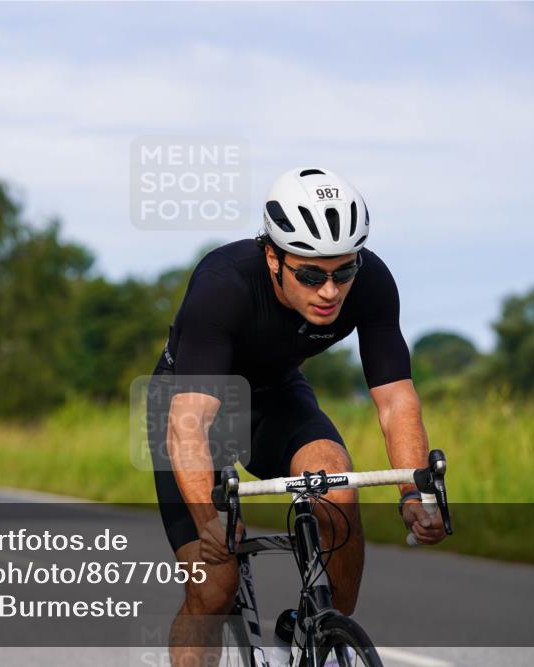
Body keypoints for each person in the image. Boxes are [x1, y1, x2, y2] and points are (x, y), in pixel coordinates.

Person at [147, 167, 448, 666]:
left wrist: (414, 494)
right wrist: (207, 518)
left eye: (343, 272)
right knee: (214, 587)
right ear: (273, 257)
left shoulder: (371, 282)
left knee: (337, 488)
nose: (330, 291)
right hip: (188, 409)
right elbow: (188, 423)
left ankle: (320, 632)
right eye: (311, 275)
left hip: (276, 396)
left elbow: (397, 400)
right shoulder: (224, 284)